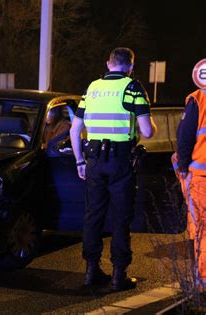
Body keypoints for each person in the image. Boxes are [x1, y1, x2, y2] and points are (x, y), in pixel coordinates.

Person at [69, 47, 157, 291]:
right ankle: (119, 275)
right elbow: (147, 131)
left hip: (94, 160)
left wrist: (79, 161)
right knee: (121, 218)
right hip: (121, 162)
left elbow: (74, 130)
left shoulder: (92, 88)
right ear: (130, 66)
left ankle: (91, 271)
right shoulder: (133, 88)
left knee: (93, 215)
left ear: (108, 64)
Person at [172, 84, 206, 290]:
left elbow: (184, 136)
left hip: (201, 176)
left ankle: (202, 282)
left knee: (202, 230)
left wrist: (182, 167)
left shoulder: (197, 99)